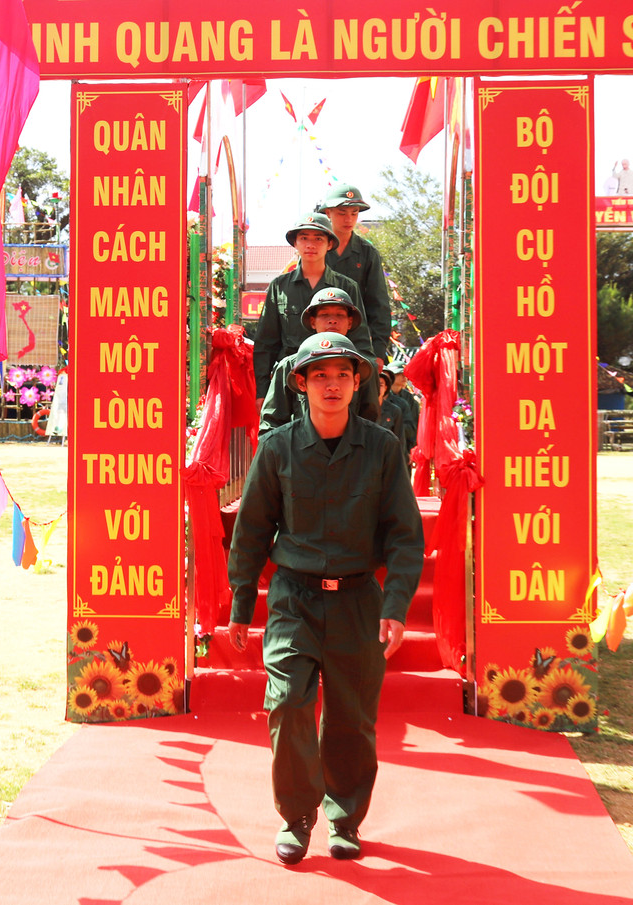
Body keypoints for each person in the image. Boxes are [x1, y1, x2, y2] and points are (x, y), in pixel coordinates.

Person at [226, 332, 424, 866]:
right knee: (288, 703)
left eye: (342, 374)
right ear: (300, 383)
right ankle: (296, 816)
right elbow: (250, 532)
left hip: (358, 599)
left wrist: (396, 605)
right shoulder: (278, 449)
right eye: (319, 375)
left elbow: (405, 535)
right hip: (295, 598)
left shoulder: (382, 449)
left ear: (358, 381)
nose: (331, 385)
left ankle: (345, 818)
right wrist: (242, 604)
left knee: (351, 719)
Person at [253, 212, 373, 407]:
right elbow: (265, 343)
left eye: (318, 239)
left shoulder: (347, 287)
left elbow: (360, 340)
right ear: (295, 243)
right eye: (304, 238)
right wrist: (262, 391)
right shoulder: (279, 286)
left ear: (329, 244)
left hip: (334, 383)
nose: (310, 245)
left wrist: (365, 394)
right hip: (289, 381)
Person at [259, 287, 378, 433]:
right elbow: (271, 424)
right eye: (324, 314)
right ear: (313, 321)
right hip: (299, 451)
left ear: (350, 322)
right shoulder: (290, 365)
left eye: (340, 315)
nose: (332, 321)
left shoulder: (361, 365)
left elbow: (370, 421)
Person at [317, 184, 393, 370]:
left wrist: (378, 351)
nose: (348, 219)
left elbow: (379, 304)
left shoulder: (368, 253)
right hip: (317, 337)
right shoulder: (315, 249)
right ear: (328, 213)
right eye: (342, 212)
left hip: (357, 342)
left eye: (354, 213)